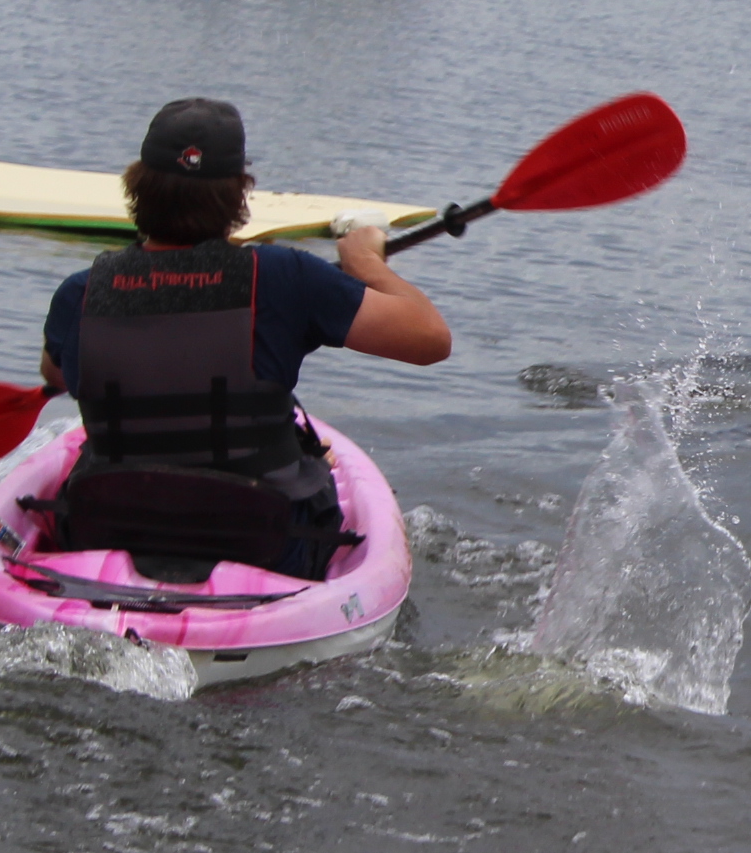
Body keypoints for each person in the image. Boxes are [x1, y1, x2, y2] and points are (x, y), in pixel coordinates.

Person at [36, 97, 449, 575]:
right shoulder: (282, 278)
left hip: (109, 528)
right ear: (239, 195)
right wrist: (366, 264)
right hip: (265, 543)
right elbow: (431, 339)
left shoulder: (80, 292)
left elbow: (56, 375)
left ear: (137, 188)